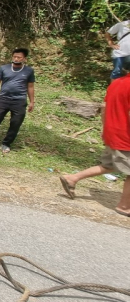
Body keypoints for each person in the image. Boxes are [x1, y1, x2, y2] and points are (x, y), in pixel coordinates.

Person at [59, 60, 130, 217]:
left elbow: (104, 107)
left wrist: (106, 128)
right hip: (125, 135)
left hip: (112, 131)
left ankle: (72, 178)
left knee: (109, 165)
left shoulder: (116, 83)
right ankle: (125, 206)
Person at [0, 48, 35, 154]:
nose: (16, 59)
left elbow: (30, 87)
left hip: (19, 101)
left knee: (16, 123)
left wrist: (32, 102)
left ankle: (6, 143)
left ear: (24, 59)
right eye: (14, 56)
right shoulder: (4, 68)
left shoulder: (29, 71)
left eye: (19, 57)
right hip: (3, 99)